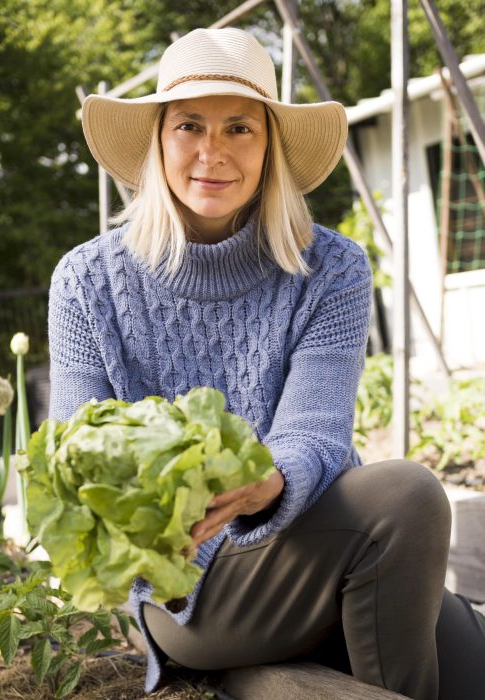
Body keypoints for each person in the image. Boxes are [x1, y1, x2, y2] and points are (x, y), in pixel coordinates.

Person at [48, 27, 485, 700]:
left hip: (310, 546)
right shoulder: (86, 282)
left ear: (270, 145)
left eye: (240, 129)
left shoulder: (330, 268)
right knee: (410, 495)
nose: (212, 151)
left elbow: (315, 429)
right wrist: (177, 510)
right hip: (183, 591)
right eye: (189, 124)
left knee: (471, 660)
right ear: (159, 139)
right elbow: (72, 459)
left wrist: (268, 481)